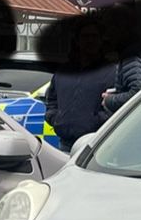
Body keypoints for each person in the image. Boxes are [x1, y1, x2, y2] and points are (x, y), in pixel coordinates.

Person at [47, 18, 115, 151]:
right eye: (85, 36)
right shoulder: (63, 71)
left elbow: (116, 106)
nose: (90, 41)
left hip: (96, 145)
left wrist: (95, 122)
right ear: (77, 40)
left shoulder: (112, 71)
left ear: (101, 40)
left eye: (94, 36)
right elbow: (51, 100)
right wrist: (55, 118)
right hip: (64, 145)